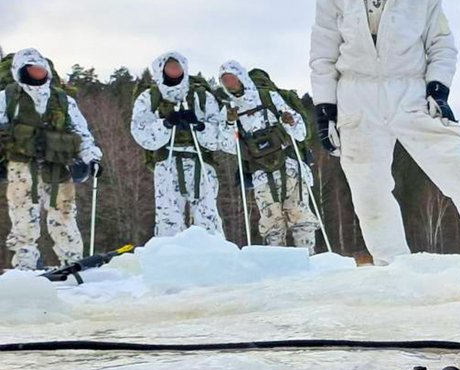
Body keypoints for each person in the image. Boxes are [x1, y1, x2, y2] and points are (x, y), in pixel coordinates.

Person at [309, 0, 460, 263]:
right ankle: (393, 269)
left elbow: (442, 45)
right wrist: (325, 109)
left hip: (410, 90)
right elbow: (322, 58)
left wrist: (438, 88)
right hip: (356, 96)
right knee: (368, 191)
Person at [0, 48, 102, 270]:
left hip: (56, 165)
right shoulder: (7, 98)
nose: (37, 73)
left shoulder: (62, 100)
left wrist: (91, 158)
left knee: (64, 213)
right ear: (21, 71)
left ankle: (73, 261)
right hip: (21, 166)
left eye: (40, 69)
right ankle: (24, 264)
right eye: (32, 69)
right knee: (22, 216)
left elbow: (81, 132)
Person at [218, 60, 319, 253]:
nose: (229, 83)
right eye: (225, 81)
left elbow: (300, 132)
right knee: (271, 219)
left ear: (241, 77)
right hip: (260, 172)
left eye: (232, 77)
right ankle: (278, 262)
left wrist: (289, 122)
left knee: (299, 213)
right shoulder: (230, 109)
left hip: (289, 165)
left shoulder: (269, 98)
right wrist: (229, 124)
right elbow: (228, 146)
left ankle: (308, 257)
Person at [130, 51, 230, 238]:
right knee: (168, 216)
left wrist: (200, 127)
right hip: (167, 164)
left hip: (201, 162)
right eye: (170, 67)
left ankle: (213, 257)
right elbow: (141, 133)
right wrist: (165, 125)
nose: (175, 70)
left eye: (178, 66)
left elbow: (219, 137)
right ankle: (170, 257)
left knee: (207, 216)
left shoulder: (202, 97)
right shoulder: (149, 98)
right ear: (161, 69)